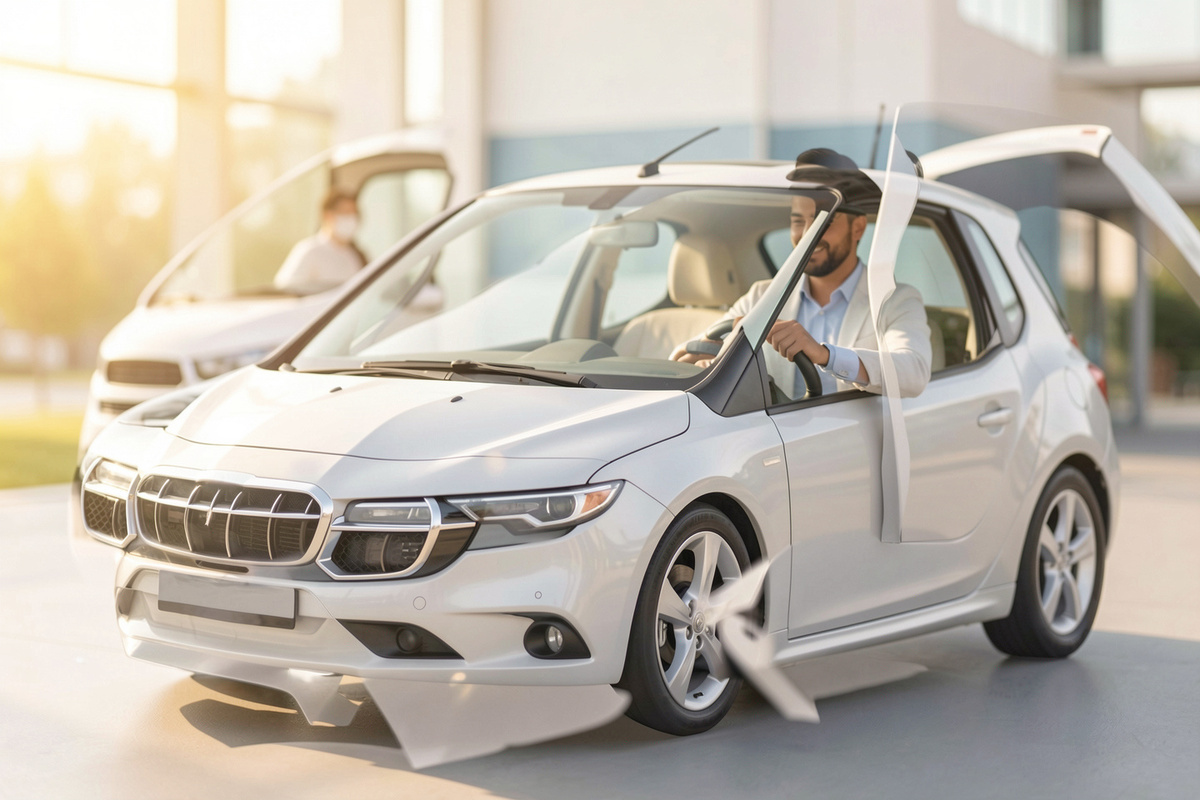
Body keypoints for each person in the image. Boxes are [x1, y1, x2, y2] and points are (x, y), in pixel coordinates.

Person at [671, 149, 931, 399]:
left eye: (824, 220)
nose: (807, 234)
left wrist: (824, 355)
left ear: (858, 228)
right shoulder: (762, 296)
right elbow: (688, 353)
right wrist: (706, 358)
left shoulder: (895, 300)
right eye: (798, 221)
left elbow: (914, 371)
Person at [273, 190, 367, 295]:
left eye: (354, 213)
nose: (351, 218)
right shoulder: (309, 250)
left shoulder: (355, 256)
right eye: (345, 213)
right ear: (327, 216)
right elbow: (285, 290)